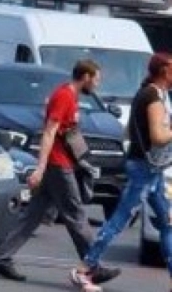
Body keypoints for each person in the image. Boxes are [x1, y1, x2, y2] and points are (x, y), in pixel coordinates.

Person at [0, 60, 119, 285]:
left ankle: (1, 258)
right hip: (58, 165)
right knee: (76, 215)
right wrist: (40, 168)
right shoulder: (64, 96)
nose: (97, 84)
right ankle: (93, 265)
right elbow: (49, 132)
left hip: (59, 163)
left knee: (32, 215)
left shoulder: (70, 96)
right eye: (96, 79)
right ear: (86, 77)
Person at [72, 53, 172, 292]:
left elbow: (128, 132)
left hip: (151, 170)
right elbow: (158, 137)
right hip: (145, 170)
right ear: (164, 71)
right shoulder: (152, 96)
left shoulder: (151, 94)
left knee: (168, 223)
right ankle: (84, 269)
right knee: (118, 220)